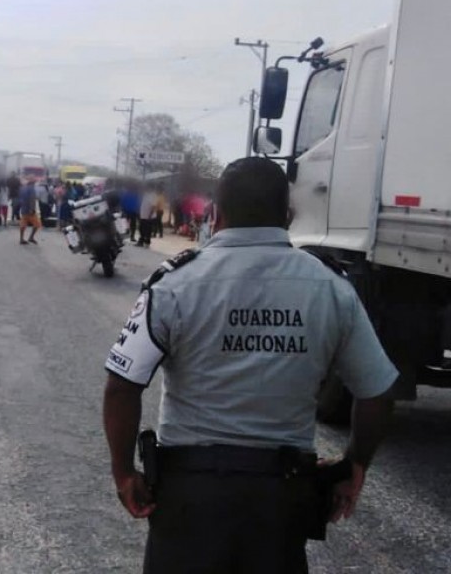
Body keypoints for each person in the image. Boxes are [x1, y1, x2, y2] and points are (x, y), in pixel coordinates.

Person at [102, 157, 397, 574]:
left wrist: (122, 474)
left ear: (215, 215)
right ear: (288, 216)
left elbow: (122, 385)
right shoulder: (332, 289)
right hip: (282, 499)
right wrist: (354, 464)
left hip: (189, 495)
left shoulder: (173, 285)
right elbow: (377, 392)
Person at [18, 177, 41, 245]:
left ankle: (21, 239)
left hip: (23, 209)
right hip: (30, 210)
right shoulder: (32, 189)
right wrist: (32, 209)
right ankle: (31, 237)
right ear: (33, 183)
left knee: (23, 224)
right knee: (37, 224)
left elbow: (20, 198)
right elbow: (32, 200)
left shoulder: (23, 188)